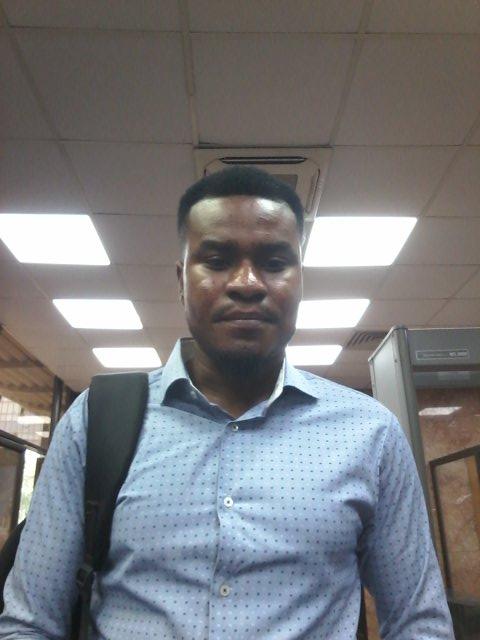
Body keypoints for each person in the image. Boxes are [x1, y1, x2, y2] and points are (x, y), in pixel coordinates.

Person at [0, 167, 453, 639]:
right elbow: (29, 623)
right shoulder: (96, 421)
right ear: (181, 280)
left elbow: (418, 622)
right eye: (217, 260)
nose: (247, 283)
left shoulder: (370, 433)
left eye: (274, 262)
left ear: (300, 281)